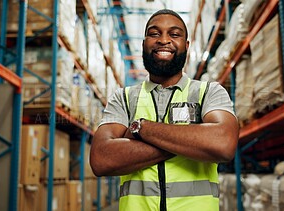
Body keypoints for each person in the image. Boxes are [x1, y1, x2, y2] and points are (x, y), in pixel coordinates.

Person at [90, 9, 239, 211]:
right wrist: (192, 140)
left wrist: (140, 128)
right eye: (154, 33)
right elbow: (101, 159)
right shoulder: (124, 98)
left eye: (174, 34)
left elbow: (223, 143)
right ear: (144, 44)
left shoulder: (208, 92)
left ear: (186, 46)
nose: (164, 40)